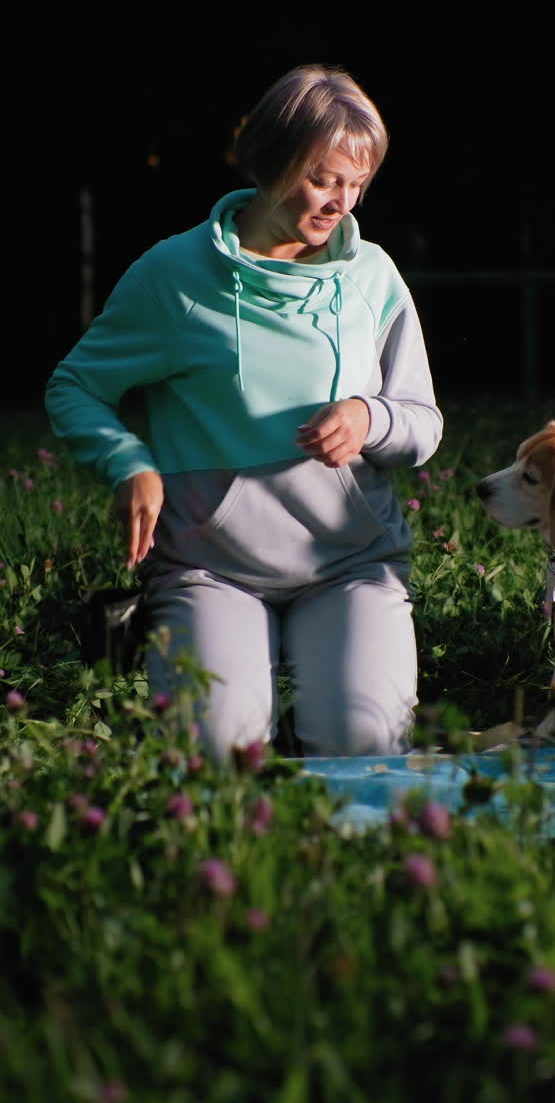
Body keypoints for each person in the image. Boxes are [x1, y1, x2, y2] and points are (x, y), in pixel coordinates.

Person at [45, 65, 443, 761]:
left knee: (363, 743)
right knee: (218, 754)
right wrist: (127, 462)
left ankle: (318, 714)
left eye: (356, 184)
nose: (339, 204)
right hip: (210, 567)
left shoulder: (373, 276)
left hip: (349, 562)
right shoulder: (175, 276)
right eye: (322, 179)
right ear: (270, 159)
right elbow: (75, 385)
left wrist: (369, 419)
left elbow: (422, 422)